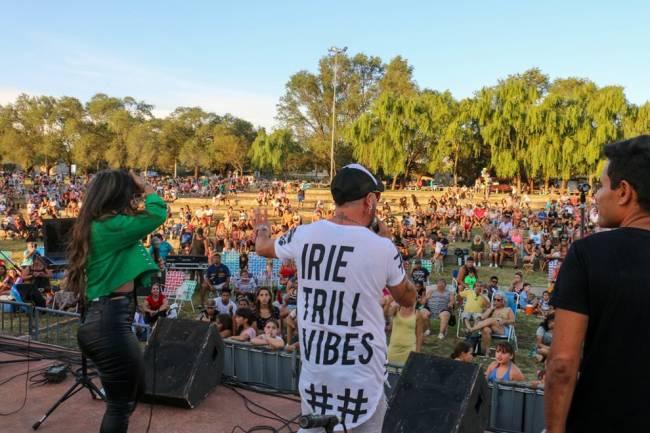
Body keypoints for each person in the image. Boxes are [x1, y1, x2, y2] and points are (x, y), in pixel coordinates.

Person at [254, 163, 416, 433]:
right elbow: (408, 298)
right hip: (363, 379)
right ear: (370, 200)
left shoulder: (304, 234)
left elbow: (262, 247)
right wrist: (391, 245)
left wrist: (261, 228)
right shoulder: (382, 247)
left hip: (317, 378)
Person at [546, 136, 650, 433]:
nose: (596, 195)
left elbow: (563, 363)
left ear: (624, 192)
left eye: (602, 186)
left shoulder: (587, 254)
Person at [66, 170, 167, 433]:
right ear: (118, 196)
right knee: (120, 405)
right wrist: (146, 187)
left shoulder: (101, 224)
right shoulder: (111, 226)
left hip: (106, 320)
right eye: (130, 194)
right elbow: (157, 214)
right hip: (108, 323)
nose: (133, 198)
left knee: (136, 388)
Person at [467, 291, 515, 355]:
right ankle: (487, 351)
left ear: (503, 301)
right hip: (492, 328)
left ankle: (472, 329)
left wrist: (504, 321)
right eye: (494, 299)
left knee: (493, 320)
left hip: (502, 329)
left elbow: (513, 321)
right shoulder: (492, 309)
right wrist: (490, 309)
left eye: (498, 300)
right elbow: (482, 317)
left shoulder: (508, 309)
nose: (495, 301)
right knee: (485, 329)